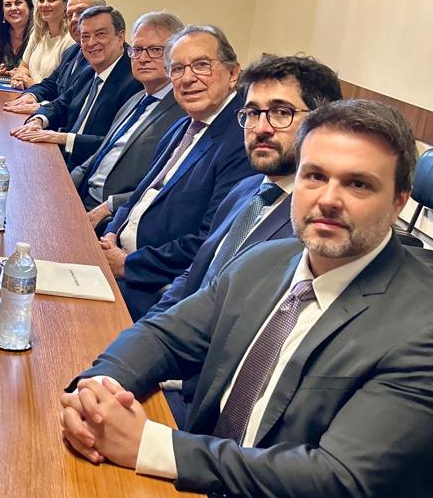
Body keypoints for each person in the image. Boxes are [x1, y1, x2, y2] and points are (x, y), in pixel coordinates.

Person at [60, 99, 433, 498]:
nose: (328, 199)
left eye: (358, 184)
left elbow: (339, 479)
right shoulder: (265, 260)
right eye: (314, 176)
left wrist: (152, 446)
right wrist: (97, 390)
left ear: (399, 201)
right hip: (200, 488)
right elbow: (164, 336)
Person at [143, 54, 343, 424]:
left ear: (323, 124)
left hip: (207, 403)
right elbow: (194, 277)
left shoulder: (319, 228)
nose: (261, 128)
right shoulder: (248, 190)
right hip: (172, 355)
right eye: (252, 113)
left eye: (281, 113)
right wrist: (143, 336)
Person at [101, 25, 252, 318]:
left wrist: (128, 265)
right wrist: (111, 233)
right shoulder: (182, 126)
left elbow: (208, 242)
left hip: (152, 291)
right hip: (118, 261)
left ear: (233, 74)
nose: (188, 78)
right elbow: (140, 195)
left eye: (201, 65)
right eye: (178, 69)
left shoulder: (241, 140)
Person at [73, 12, 186, 217]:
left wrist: (111, 206)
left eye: (155, 50)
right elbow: (99, 156)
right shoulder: (136, 99)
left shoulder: (183, 113)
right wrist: (65, 184)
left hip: (112, 216)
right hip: (81, 198)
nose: (143, 58)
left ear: (176, 54)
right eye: (138, 50)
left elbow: (163, 187)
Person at [11, 5, 141, 167]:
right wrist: (37, 121)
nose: (91, 43)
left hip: (87, 168)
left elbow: (115, 143)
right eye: (85, 36)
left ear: (120, 37)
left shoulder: (134, 81)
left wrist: (62, 138)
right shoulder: (89, 71)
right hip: (61, 158)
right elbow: (61, 104)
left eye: (100, 34)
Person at [2, 0, 106, 114]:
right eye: (70, 15)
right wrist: (31, 95)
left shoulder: (102, 56)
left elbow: (75, 104)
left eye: (81, 12)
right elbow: (51, 84)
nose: (74, 19)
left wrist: (43, 108)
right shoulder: (73, 51)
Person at [9, 0, 73, 89]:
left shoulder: (71, 39)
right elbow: (24, 66)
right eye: (41, 0)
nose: (44, 5)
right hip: (29, 94)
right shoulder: (38, 32)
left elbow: (64, 89)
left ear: (66, 4)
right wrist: (19, 77)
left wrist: (33, 85)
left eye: (51, 0)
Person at [0, 0, 34, 74]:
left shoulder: (38, 35)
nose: (13, 8)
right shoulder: (3, 32)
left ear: (29, 7)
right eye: (8, 5)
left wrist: (23, 73)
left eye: (18, 3)